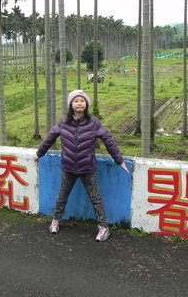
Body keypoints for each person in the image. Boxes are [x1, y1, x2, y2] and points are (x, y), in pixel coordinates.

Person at [35, 89, 130, 242]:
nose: (79, 103)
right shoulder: (63, 121)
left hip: (87, 168)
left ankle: (103, 227)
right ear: (71, 104)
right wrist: (39, 154)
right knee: (62, 196)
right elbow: (50, 138)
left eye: (82, 101)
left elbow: (108, 141)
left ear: (86, 104)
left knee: (95, 198)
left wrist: (119, 160)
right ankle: (56, 221)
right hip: (68, 167)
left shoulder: (94, 122)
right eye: (76, 101)